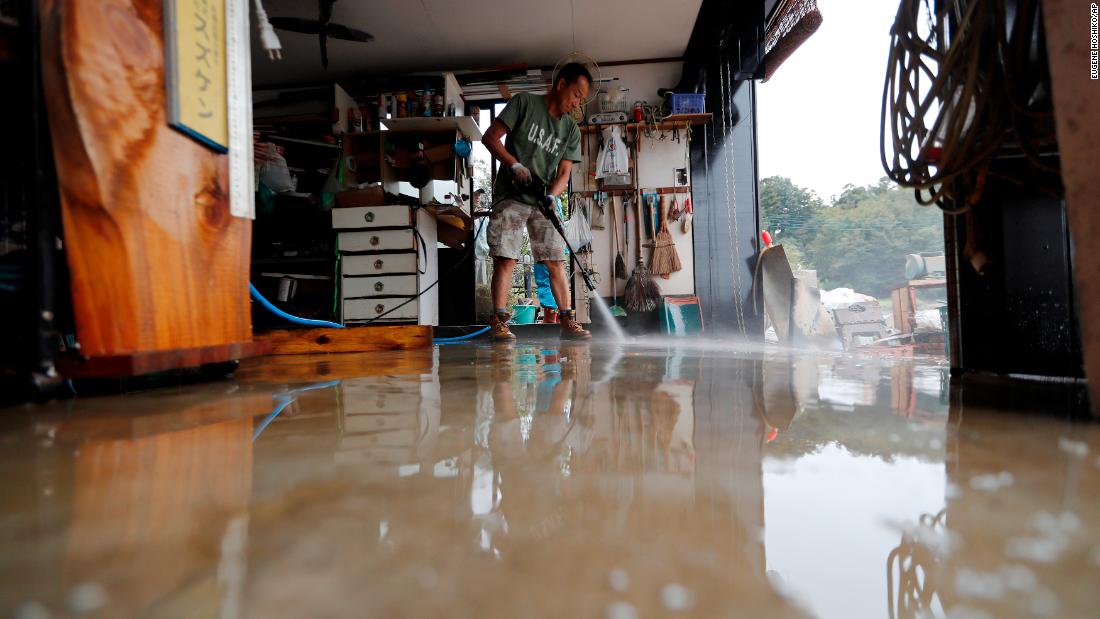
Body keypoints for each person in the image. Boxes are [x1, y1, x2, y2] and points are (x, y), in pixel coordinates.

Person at [483, 63, 593, 341]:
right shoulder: (524, 103)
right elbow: (490, 138)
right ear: (560, 85)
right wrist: (514, 165)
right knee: (506, 258)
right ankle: (499, 321)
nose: (577, 102)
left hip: (542, 200)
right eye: (576, 94)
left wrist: (553, 196)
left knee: (555, 259)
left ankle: (567, 321)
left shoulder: (570, 129)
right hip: (511, 195)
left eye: (582, 99)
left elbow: (565, 172)